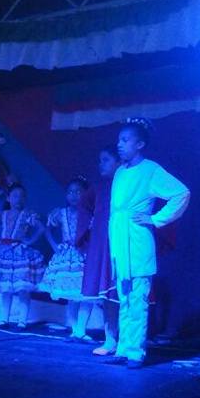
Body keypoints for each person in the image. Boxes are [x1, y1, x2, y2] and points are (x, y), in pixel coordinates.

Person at [108, 117, 190, 369]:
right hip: (119, 241)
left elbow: (181, 193)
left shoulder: (151, 170)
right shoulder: (120, 172)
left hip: (137, 240)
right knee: (124, 298)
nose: (119, 144)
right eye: (119, 140)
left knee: (138, 298)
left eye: (125, 140)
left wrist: (155, 219)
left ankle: (136, 352)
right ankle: (123, 348)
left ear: (140, 144)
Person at [74, 147, 121, 354]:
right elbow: (84, 205)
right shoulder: (99, 187)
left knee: (124, 292)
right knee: (108, 293)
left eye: (106, 160)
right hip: (103, 243)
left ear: (118, 162)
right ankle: (110, 340)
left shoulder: (128, 181)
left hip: (122, 241)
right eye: (100, 160)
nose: (101, 164)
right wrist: (87, 234)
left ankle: (128, 340)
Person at [0, 184, 46, 330]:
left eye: (22, 196)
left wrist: (29, 240)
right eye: (15, 196)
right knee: (6, 287)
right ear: (8, 198)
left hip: (20, 253)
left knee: (23, 286)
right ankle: (4, 318)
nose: (19, 199)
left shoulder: (27, 215)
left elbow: (41, 228)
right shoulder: (1, 215)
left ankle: (22, 320)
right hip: (5, 252)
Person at [39, 177, 90, 339]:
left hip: (84, 256)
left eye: (78, 192)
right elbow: (47, 230)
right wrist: (55, 246)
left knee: (87, 295)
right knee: (71, 295)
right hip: (67, 257)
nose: (74, 195)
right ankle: (75, 330)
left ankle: (81, 329)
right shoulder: (60, 213)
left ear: (85, 193)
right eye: (70, 192)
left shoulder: (89, 213)